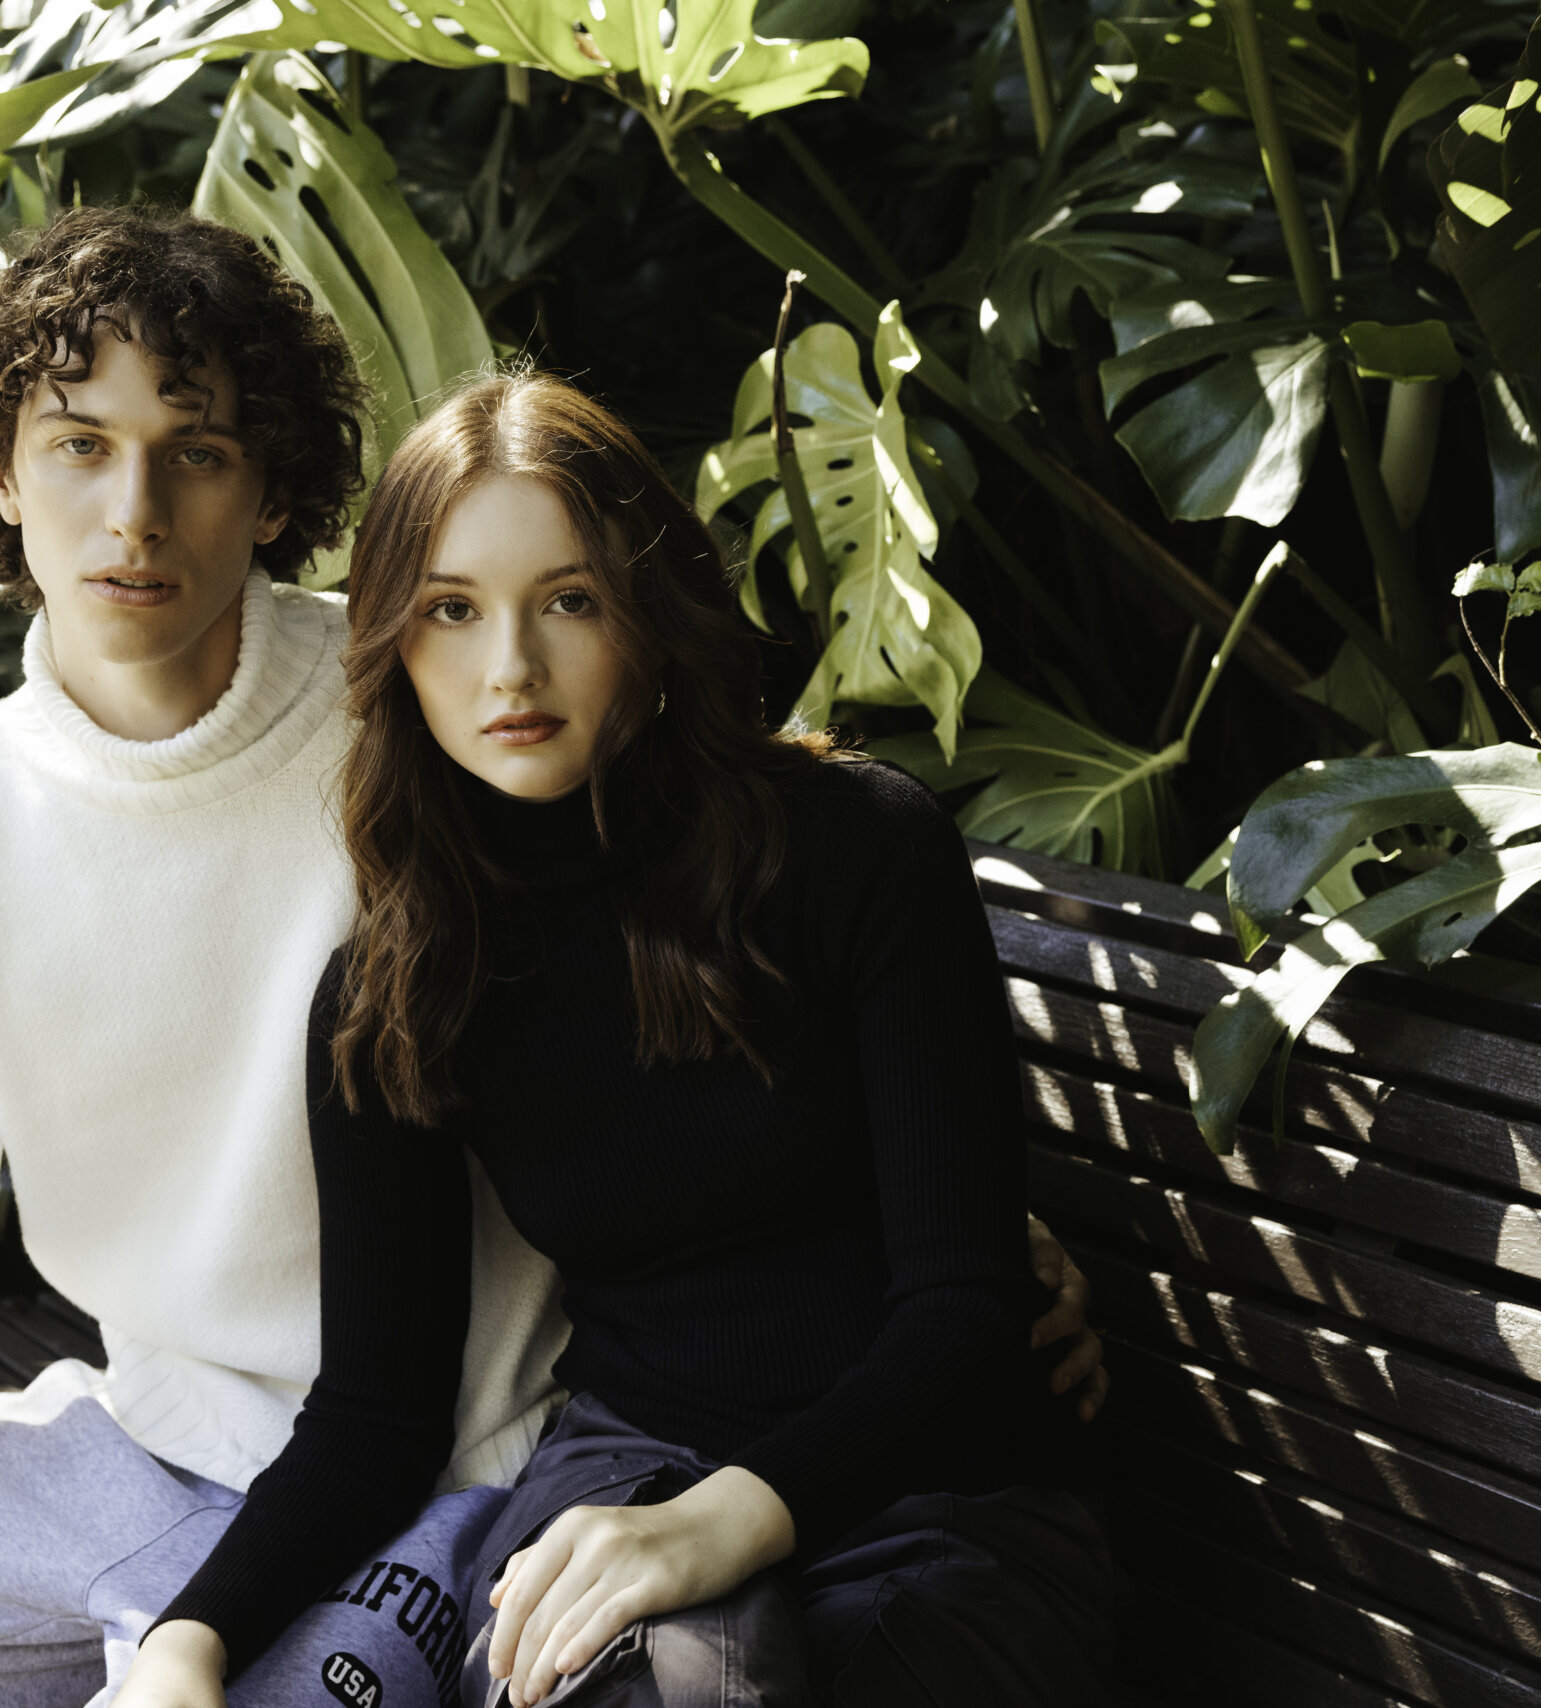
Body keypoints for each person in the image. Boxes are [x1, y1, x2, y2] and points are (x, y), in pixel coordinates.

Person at [0, 207, 1101, 1707]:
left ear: (275, 488)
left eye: (198, 450)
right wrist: (181, 1639)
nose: (135, 516)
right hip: (164, 1446)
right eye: (78, 445)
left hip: (478, 1473)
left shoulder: (438, 730)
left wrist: (960, 1251)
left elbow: (744, 1029)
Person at [111, 371, 1113, 1708]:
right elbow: (376, 1417)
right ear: (395, 645)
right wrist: (187, 1648)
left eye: (568, 602)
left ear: (648, 611)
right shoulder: (405, 983)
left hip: (929, 1499)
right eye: (452, 613)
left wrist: (724, 1523)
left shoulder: (855, 849)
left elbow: (965, 1308)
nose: (508, 669)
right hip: (622, 1487)